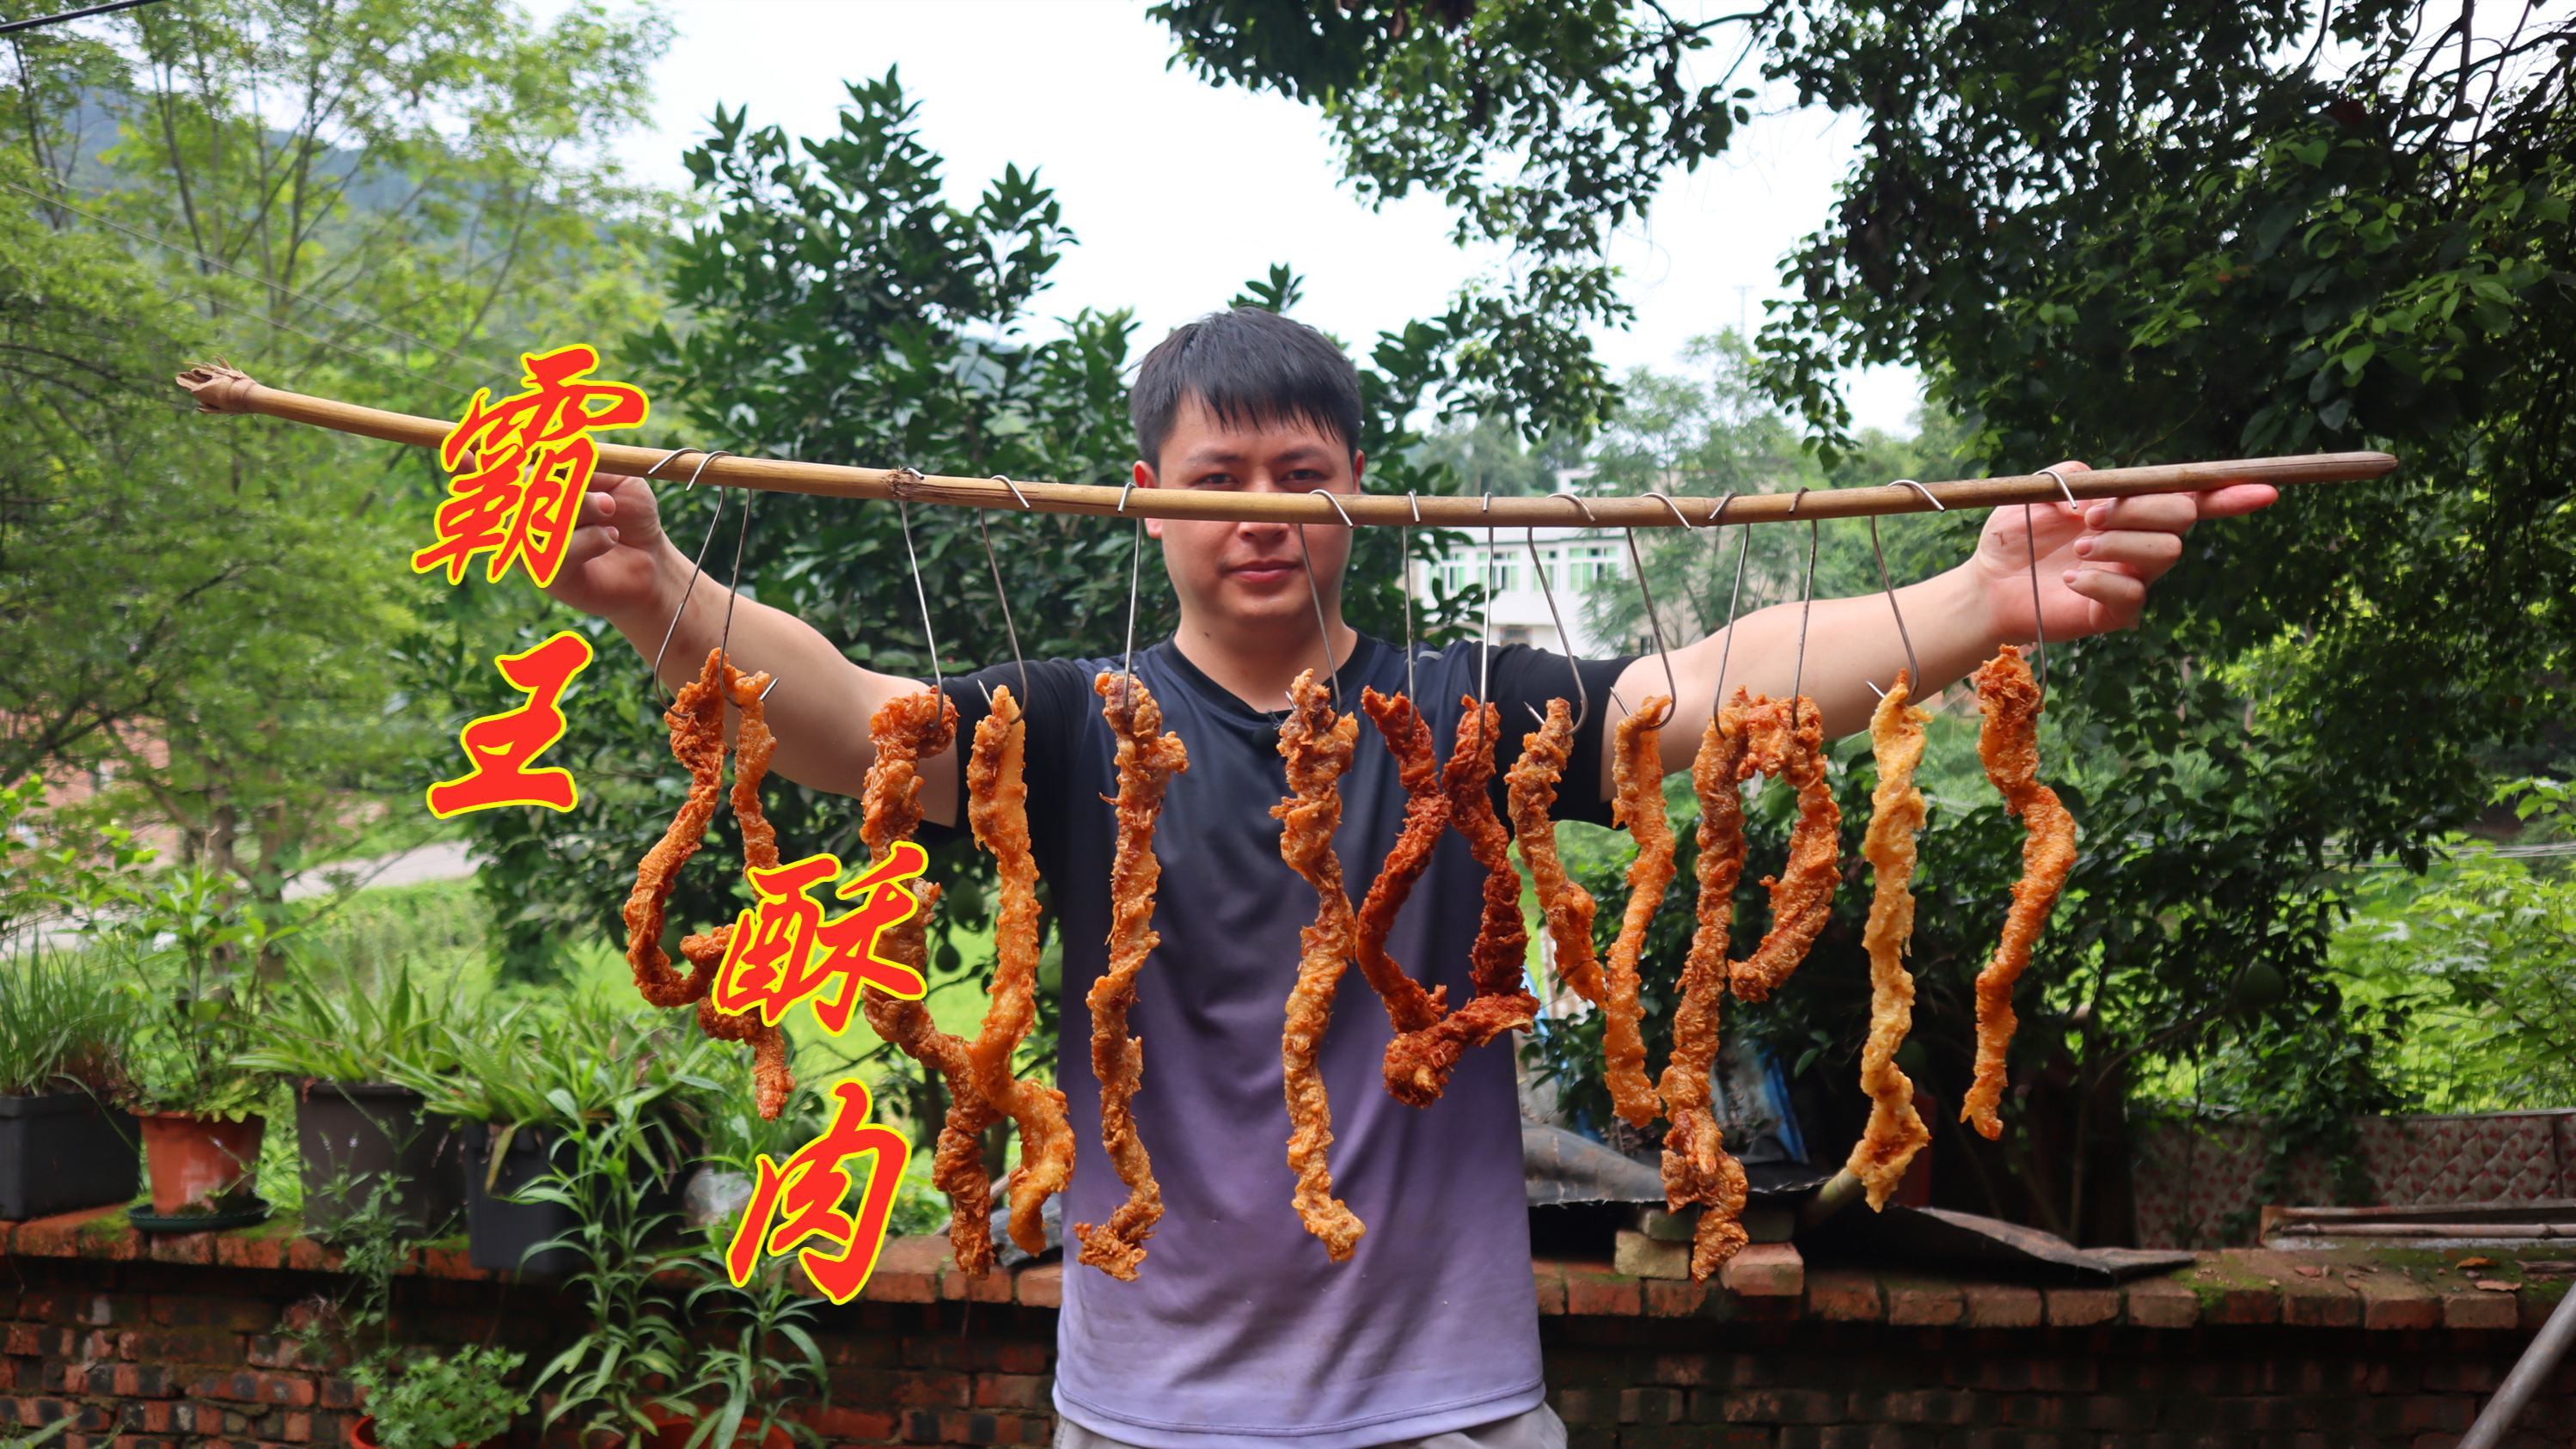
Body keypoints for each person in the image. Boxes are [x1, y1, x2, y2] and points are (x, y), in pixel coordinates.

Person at [544, 307, 2276, 1449]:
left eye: (1300, 477)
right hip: (1145, 1412)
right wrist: (653, 585)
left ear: (1353, 495)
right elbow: (843, 721)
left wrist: (1970, 604)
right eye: (1217, 479)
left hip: (1446, 1410)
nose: (1260, 513)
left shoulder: (1465, 714)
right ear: (1141, 498)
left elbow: (1699, 700)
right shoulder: (1069, 727)